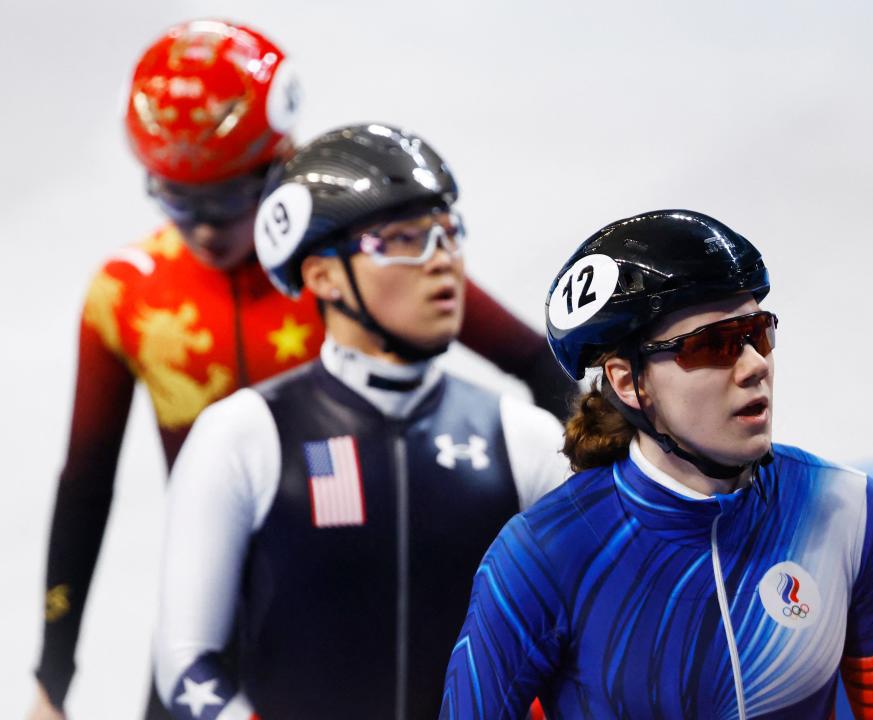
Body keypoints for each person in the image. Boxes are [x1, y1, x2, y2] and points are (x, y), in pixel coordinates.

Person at [30, 19, 573, 720]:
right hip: (215, 614)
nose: (202, 228)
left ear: (278, 162)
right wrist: (53, 674)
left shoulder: (358, 268)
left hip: (351, 610)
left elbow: (543, 367)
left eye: (226, 198)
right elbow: (85, 490)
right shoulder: (123, 295)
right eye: (174, 198)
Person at [440, 209, 873, 719]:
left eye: (757, 333)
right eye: (713, 346)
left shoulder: (845, 509)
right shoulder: (541, 557)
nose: (754, 365)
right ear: (630, 382)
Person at [152, 124, 570, 719]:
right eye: (404, 239)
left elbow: (598, 648)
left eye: (448, 236)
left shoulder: (524, 438)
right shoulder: (242, 435)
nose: (442, 263)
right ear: (321, 276)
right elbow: (187, 661)